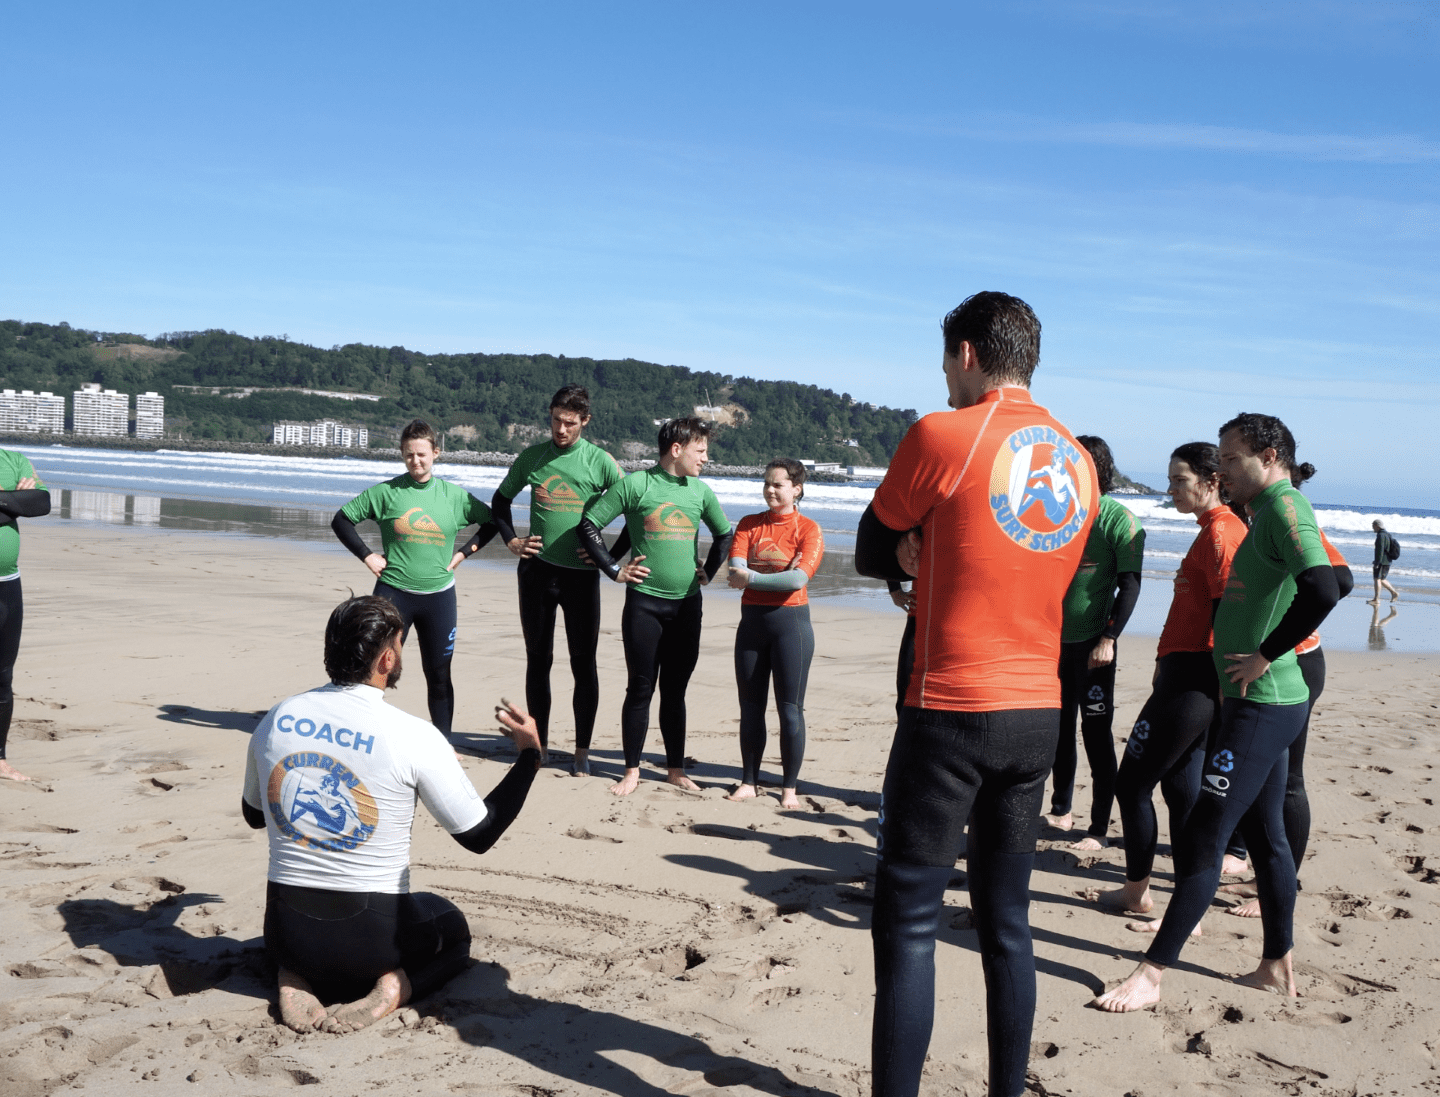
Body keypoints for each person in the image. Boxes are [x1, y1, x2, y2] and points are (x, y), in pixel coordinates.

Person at [855, 291, 1097, 1097]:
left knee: (909, 923)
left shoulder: (944, 431)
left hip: (950, 707)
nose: (945, 380)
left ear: (966, 354)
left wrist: (910, 546)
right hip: (1038, 713)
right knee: (1007, 925)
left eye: (945, 364)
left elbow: (870, 545)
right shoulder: (1078, 459)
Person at [1096, 413, 1339, 1013]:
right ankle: (1275, 963)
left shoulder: (1283, 509)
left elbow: (1325, 588)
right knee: (1266, 836)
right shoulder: (1268, 511)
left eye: (1232, 459)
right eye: (1221, 460)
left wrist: (1265, 653)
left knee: (1206, 833)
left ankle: (1151, 974)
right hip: (1264, 700)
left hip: (1264, 702)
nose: (1223, 470)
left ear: (1270, 456)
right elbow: (1344, 574)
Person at [241, 595, 542, 1033]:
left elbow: (254, 815)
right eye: (401, 645)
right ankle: (394, 987)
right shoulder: (413, 734)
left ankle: (293, 976)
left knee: (305, 934)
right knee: (452, 928)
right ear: (387, 659)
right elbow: (479, 834)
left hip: (286, 936)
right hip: (374, 945)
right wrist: (529, 756)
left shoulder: (278, 717)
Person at [1097, 442, 1245, 915]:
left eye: (1180, 480)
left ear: (1212, 481)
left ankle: (1137, 891)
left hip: (1194, 682)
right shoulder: (1212, 530)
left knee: (1131, 786)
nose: (1171, 489)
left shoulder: (1222, 534)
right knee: (1181, 793)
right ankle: (1186, 904)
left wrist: (1219, 687)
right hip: (1184, 676)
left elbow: (1230, 616)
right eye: (1170, 480)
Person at [577, 417, 733, 797]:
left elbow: (724, 534)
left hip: (687, 607)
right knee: (640, 688)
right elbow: (589, 524)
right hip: (644, 605)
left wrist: (709, 572)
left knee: (675, 691)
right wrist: (614, 570)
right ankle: (631, 771)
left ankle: (675, 769)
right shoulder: (637, 485)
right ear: (676, 450)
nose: (706, 458)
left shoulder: (700, 492)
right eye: (700, 450)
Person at [1221, 494, 1353, 917]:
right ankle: (1256, 867)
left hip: (1296, 662)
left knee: (1290, 779)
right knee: (1263, 774)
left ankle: (1281, 883)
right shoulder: (1256, 521)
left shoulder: (1289, 520)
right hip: (1265, 666)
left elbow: (1339, 581)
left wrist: (1282, 637)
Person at [489, 385, 627, 775]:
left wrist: (608, 557)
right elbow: (500, 501)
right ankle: (541, 745)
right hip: (537, 572)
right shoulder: (533, 457)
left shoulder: (600, 462)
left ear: (585, 421)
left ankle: (582, 752)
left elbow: (634, 508)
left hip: (581, 578)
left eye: (569, 423)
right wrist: (512, 540)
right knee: (539, 660)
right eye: (555, 420)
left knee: (584, 663)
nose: (561, 430)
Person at [331, 420, 496, 743]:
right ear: (402, 454)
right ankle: (366, 737)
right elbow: (342, 520)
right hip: (393, 595)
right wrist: (367, 555)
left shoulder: (454, 496)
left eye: (422, 454)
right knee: (376, 669)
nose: (415, 461)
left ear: (436, 453)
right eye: (409, 455)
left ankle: (444, 743)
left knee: (438, 673)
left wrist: (464, 553)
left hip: (439, 598)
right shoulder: (387, 493)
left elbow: (491, 522)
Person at [1045, 436, 1145, 850]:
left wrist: (1109, 637)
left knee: (1096, 734)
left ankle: (1099, 828)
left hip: (1093, 645)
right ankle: (1061, 810)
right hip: (1052, 641)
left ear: (1096, 469)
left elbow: (1130, 585)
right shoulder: (1056, 516)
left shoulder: (1119, 520)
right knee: (1058, 730)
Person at [724, 458, 824, 809]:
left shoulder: (809, 529)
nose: (770, 489)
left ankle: (789, 788)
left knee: (790, 710)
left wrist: (752, 577)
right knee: (750, 708)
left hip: (791, 628)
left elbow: (797, 580)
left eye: (778, 484)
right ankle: (748, 782)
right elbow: (734, 570)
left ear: (796, 489)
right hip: (751, 627)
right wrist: (772, 577)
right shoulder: (749, 524)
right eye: (766, 483)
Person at [0, 449, 50, 784]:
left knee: (2, 677)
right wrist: (13, 501)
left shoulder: (14, 460)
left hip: (7, 585)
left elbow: (41, 503)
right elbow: (24, 505)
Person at [885, 581, 917, 721]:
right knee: (907, 698)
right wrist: (894, 588)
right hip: (921, 610)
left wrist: (894, 589)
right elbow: (868, 567)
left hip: (974, 616)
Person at [1370, 519, 1400, 604]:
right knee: (1382, 579)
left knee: (1377, 579)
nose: (1372, 528)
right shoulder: (1387, 534)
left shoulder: (1381, 535)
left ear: (1377, 526)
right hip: (1387, 561)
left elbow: (1380, 550)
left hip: (1382, 561)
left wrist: (1377, 562)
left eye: (1373, 526)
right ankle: (1394, 593)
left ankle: (1376, 599)